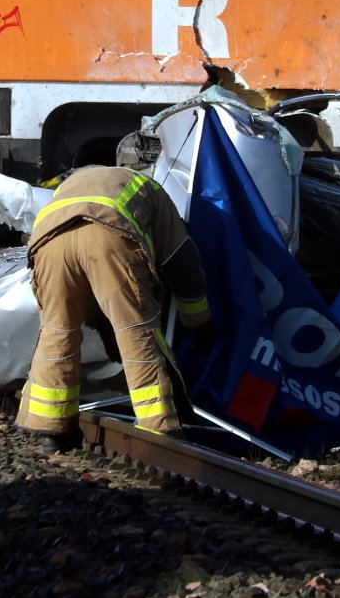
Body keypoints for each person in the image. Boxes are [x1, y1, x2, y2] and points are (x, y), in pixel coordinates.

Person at [16, 166, 211, 445]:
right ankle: (160, 428)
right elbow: (180, 262)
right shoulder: (153, 190)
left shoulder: (73, 183)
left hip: (47, 243)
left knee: (57, 331)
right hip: (106, 235)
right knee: (135, 330)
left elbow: (97, 306)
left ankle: (50, 429)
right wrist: (199, 321)